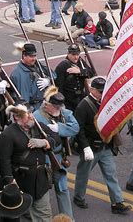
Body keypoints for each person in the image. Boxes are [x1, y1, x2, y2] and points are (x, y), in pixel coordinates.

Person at [73, 77, 132, 214]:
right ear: (91, 89)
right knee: (84, 174)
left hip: (105, 145)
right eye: (99, 91)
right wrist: (85, 147)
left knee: (111, 174)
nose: (101, 94)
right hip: (91, 146)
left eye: (103, 91)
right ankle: (79, 197)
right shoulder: (83, 105)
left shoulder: (105, 103)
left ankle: (117, 202)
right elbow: (79, 129)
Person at [0, 104, 61, 222]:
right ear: (17, 117)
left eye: (30, 112)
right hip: (20, 180)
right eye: (27, 114)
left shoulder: (38, 126)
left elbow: (56, 138)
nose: (31, 116)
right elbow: (4, 161)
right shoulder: (7, 135)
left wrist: (45, 142)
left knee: (44, 216)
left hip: (40, 180)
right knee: (12, 216)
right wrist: (10, 181)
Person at [33, 86, 79, 220]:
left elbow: (75, 127)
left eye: (60, 106)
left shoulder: (63, 113)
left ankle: (68, 218)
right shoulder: (36, 117)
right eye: (56, 107)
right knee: (41, 191)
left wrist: (60, 128)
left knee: (62, 188)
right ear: (47, 105)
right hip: (43, 158)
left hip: (59, 156)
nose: (59, 110)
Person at [10, 43, 53, 111]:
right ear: (24, 56)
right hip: (33, 108)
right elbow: (24, 99)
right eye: (31, 56)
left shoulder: (37, 64)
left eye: (35, 56)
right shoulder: (18, 74)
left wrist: (48, 80)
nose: (34, 58)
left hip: (44, 103)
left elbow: (53, 75)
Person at [54, 44, 94, 112]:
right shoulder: (62, 66)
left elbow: (91, 73)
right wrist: (61, 102)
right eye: (73, 54)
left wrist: (80, 71)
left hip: (81, 96)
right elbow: (58, 86)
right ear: (68, 54)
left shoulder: (80, 62)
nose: (76, 57)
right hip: (68, 99)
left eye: (77, 54)